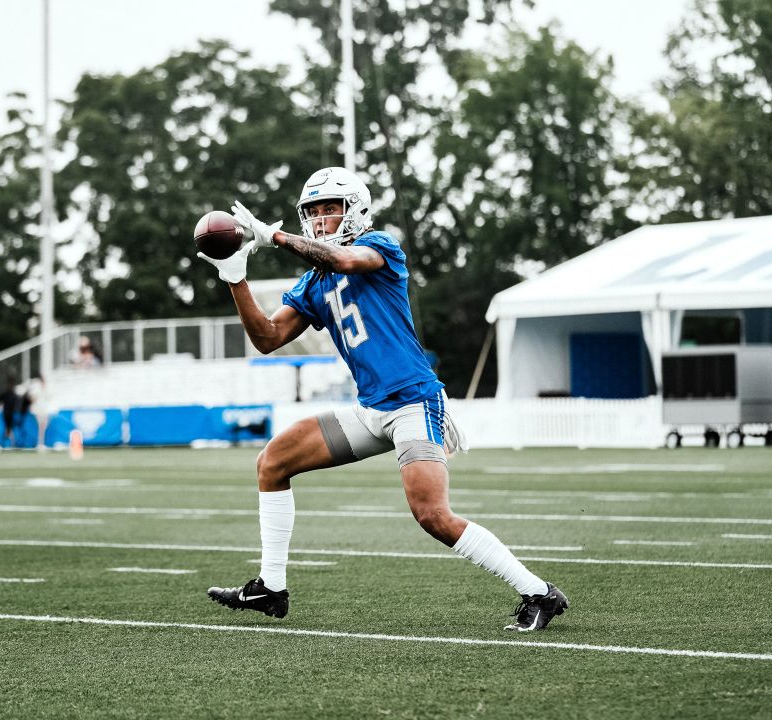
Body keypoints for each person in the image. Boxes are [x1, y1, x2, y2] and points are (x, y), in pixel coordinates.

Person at [197, 167, 568, 631]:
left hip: (414, 401)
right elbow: (268, 338)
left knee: (432, 515)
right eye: (312, 212)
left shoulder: (381, 247)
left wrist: (275, 236)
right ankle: (271, 588)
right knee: (273, 462)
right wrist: (236, 278)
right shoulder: (313, 283)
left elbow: (347, 262)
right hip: (372, 408)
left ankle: (539, 592)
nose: (320, 219)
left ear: (355, 209)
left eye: (329, 209)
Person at [23, 373, 56, 451]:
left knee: (43, 427)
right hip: (39, 409)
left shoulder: (46, 388)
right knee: (41, 427)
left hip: (44, 409)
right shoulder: (36, 388)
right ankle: (40, 444)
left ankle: (41, 443)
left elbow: (49, 397)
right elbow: (32, 397)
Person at [0, 376, 23, 448]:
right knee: (8, 429)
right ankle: (10, 443)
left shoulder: (15, 395)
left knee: (8, 429)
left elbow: (18, 405)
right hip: (6, 414)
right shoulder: (5, 394)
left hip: (12, 414)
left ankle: (7, 443)